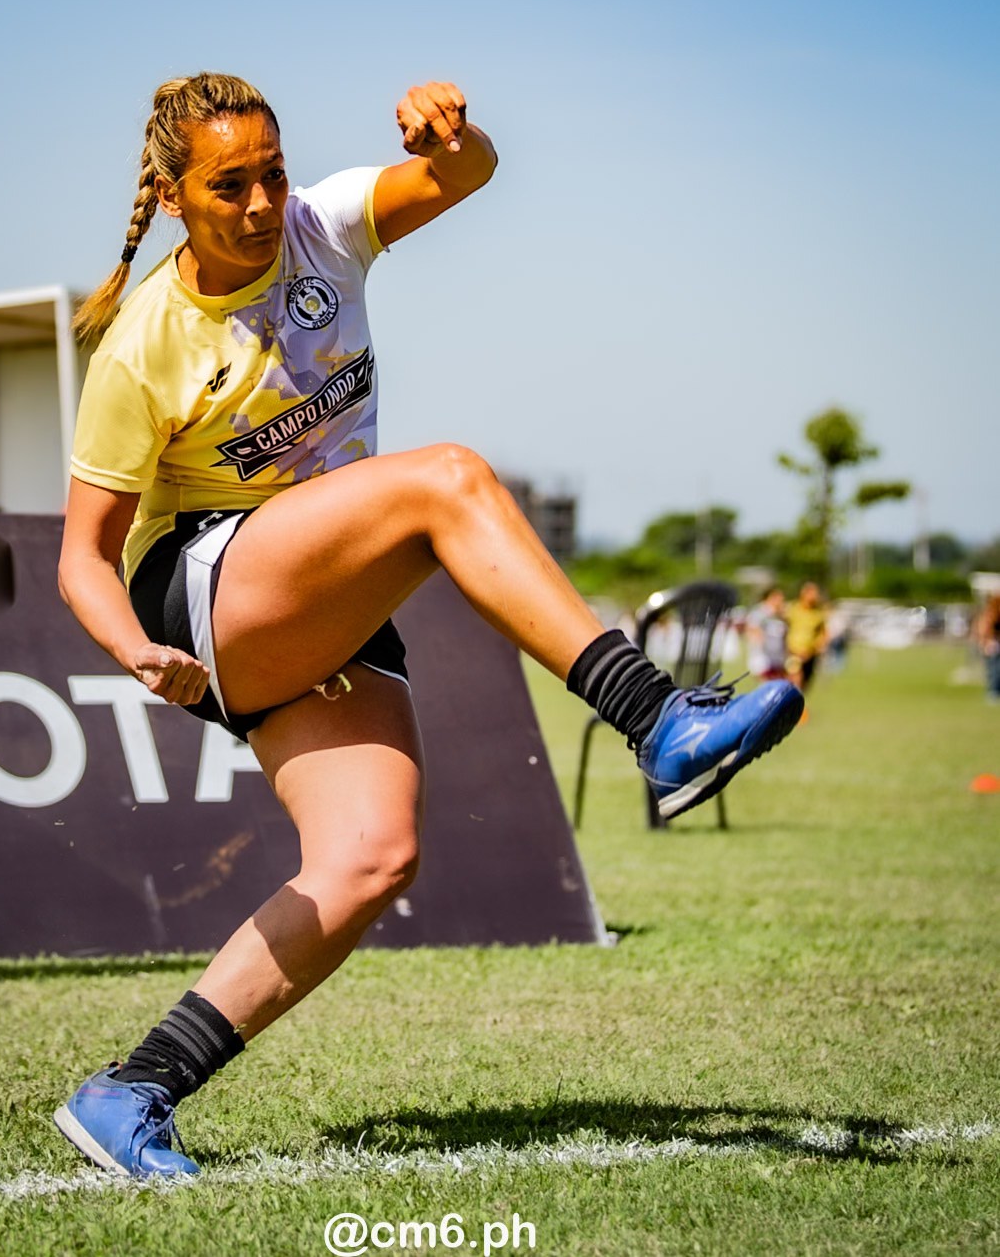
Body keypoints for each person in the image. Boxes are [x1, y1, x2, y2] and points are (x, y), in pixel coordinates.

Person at [53, 72, 804, 1178]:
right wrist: (132, 649)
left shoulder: (328, 225)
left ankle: (130, 1091)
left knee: (370, 857)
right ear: (171, 195)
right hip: (208, 591)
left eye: (272, 174)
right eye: (230, 187)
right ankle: (657, 723)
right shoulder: (143, 344)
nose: (264, 205)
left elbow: (469, 174)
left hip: (325, 586)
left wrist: (450, 135)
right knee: (448, 480)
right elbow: (81, 555)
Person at [785, 581, 829, 691]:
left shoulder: (818, 613)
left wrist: (819, 646)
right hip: (793, 652)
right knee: (795, 681)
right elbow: (784, 628)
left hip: (810, 654)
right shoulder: (793, 609)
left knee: (805, 685)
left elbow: (823, 632)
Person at [745, 586, 789, 682]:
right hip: (763, 657)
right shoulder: (760, 613)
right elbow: (752, 629)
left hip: (778, 656)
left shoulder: (781, 615)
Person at [976, 593, 1000, 702]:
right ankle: (993, 691)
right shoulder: (990, 614)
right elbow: (984, 630)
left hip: (995, 644)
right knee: (994, 669)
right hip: (991, 645)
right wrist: (986, 642)